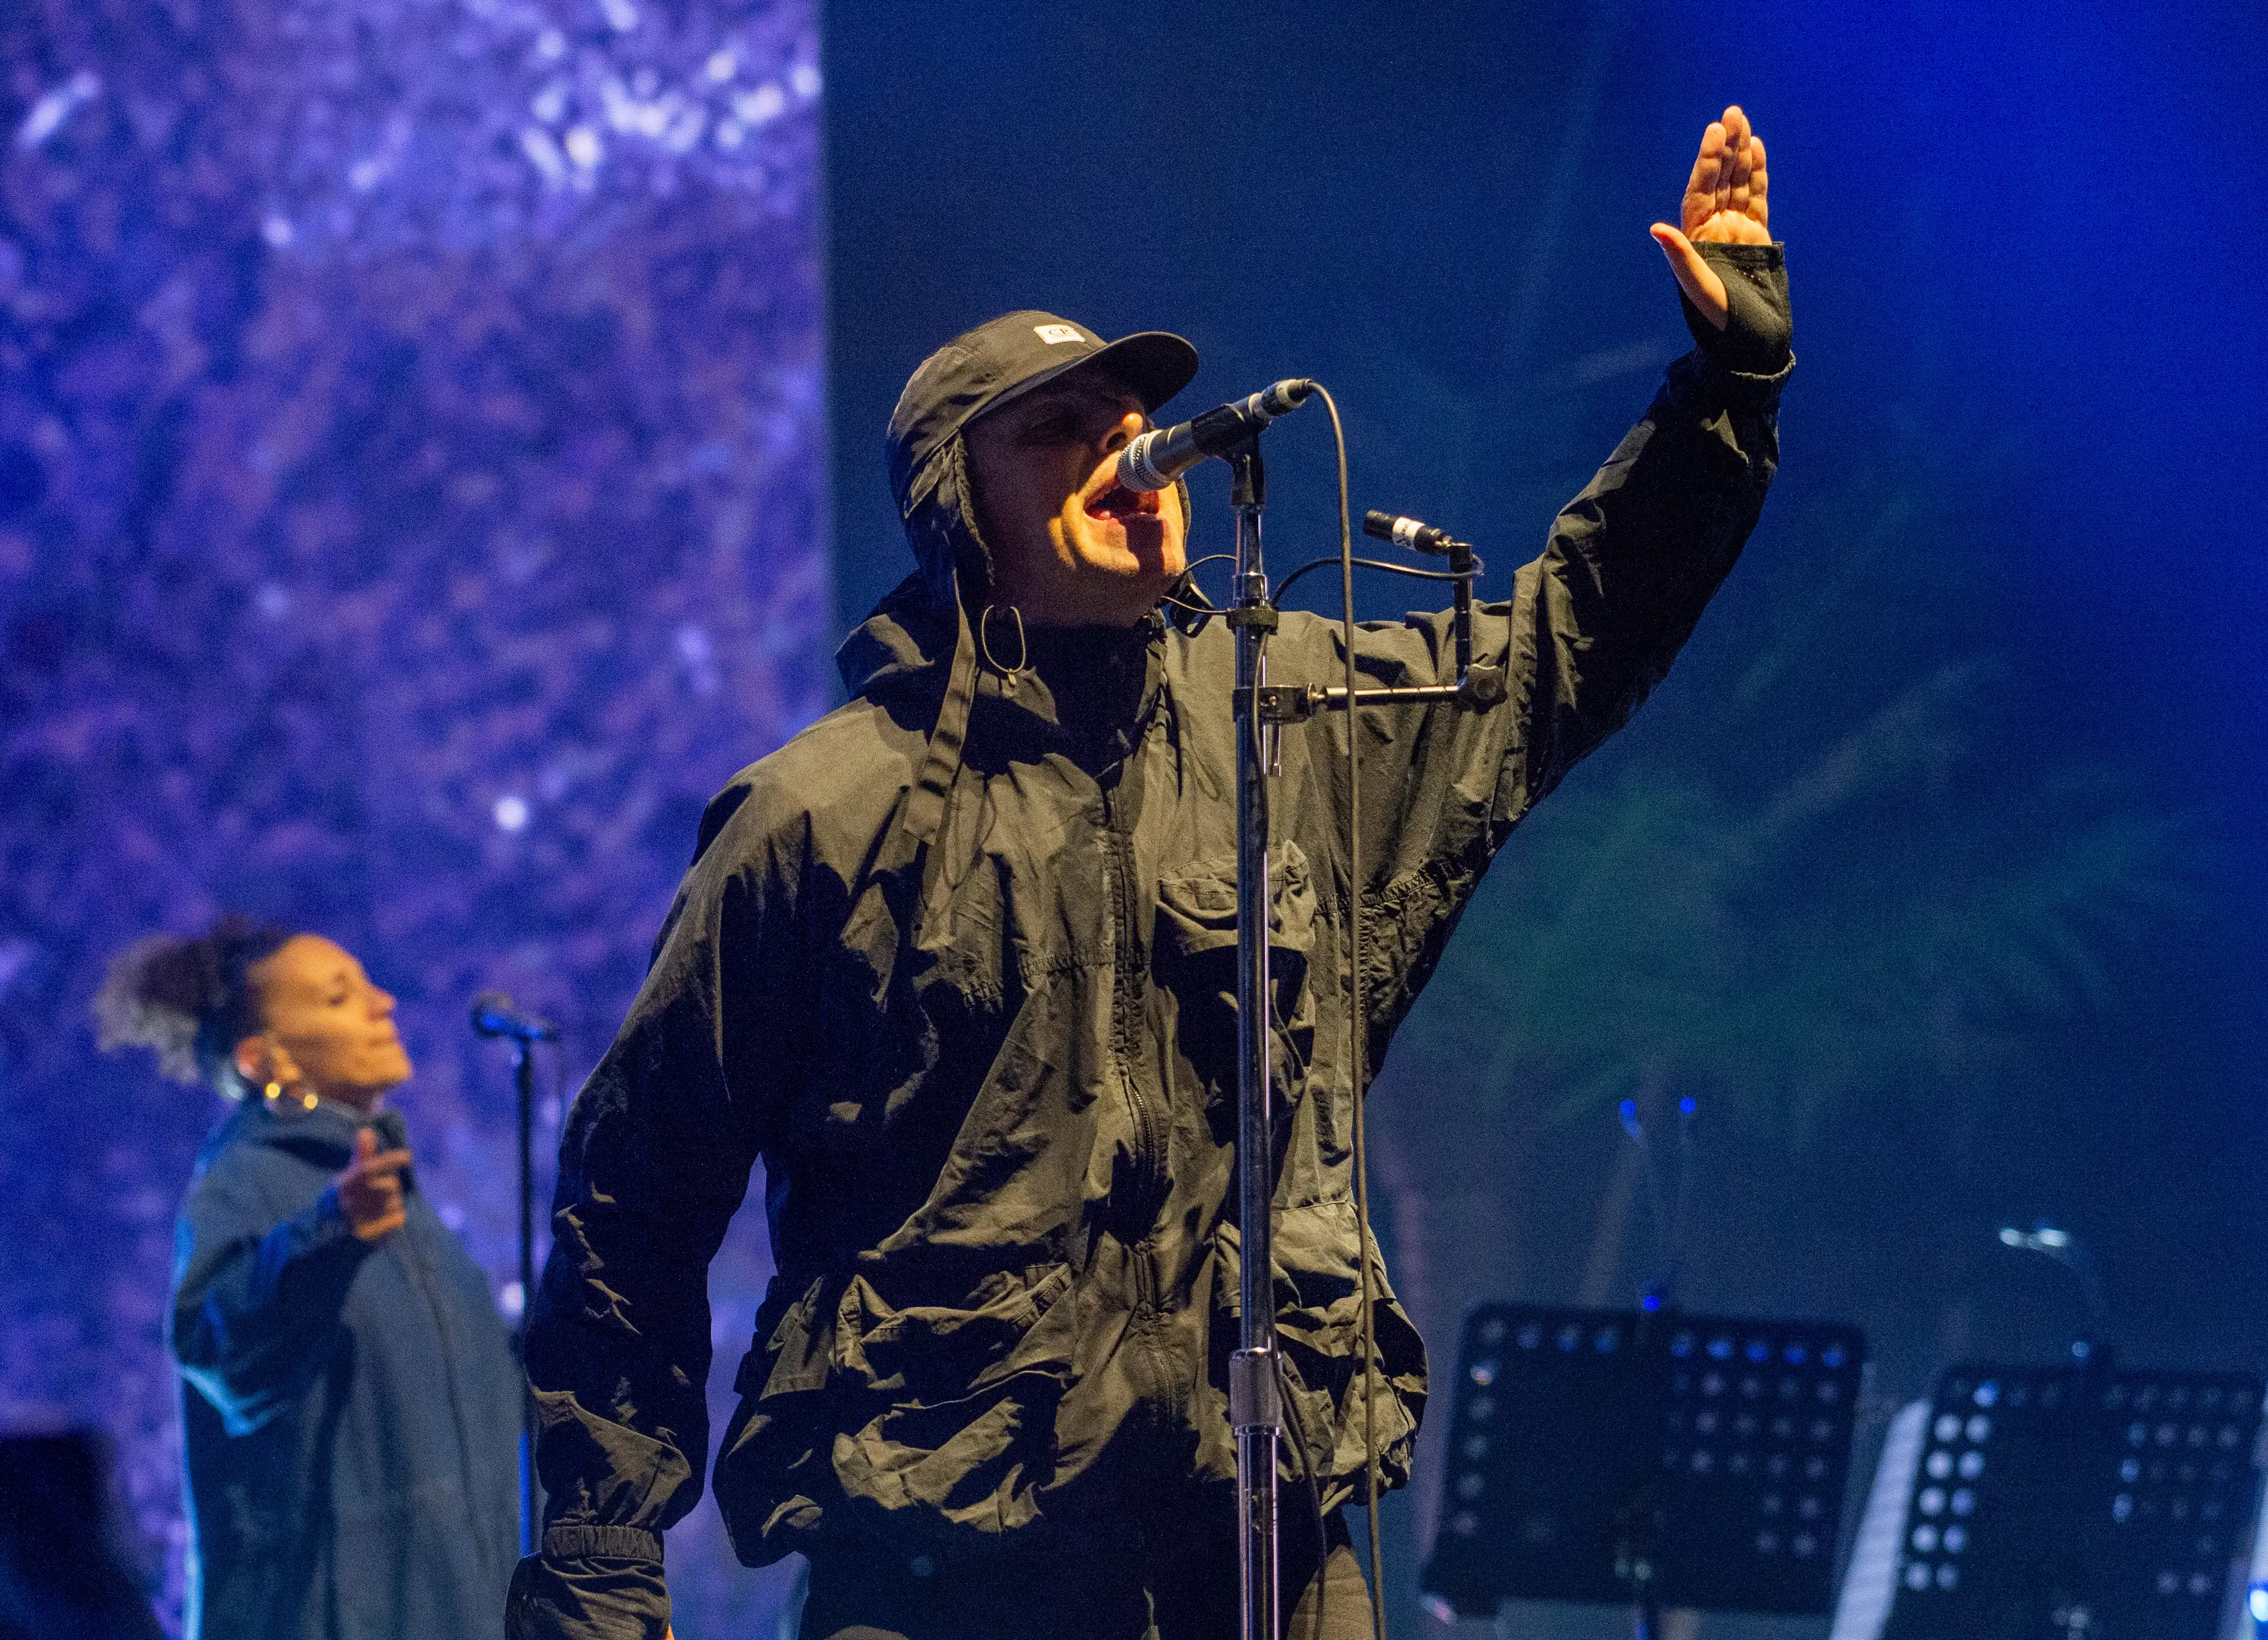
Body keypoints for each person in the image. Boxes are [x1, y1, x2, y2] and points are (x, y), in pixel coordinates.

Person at [509, 107, 1790, 1640]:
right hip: (949, 1570)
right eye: (1058, 433)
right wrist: (596, 1556)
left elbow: (1562, 644)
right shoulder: (819, 812)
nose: (1125, 456)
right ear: (950, 502)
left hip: (1269, 1543)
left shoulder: (1298, 720)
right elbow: (633, 1195)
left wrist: (1726, 388)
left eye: (1129, 424)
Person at [95, 915, 526, 1640]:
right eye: (338, 998)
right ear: (265, 1060)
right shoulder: (247, 1183)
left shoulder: (397, 1201)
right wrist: (329, 1233)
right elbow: (217, 1347)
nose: (383, 1004)